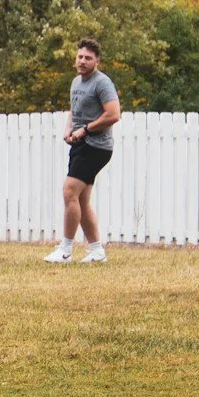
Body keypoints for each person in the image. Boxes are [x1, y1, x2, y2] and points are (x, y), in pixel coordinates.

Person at [46, 38, 122, 263]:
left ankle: (65, 250)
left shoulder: (102, 83)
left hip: (97, 147)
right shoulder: (76, 82)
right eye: (80, 57)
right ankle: (97, 251)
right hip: (80, 145)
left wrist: (86, 130)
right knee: (80, 199)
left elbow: (113, 114)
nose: (82, 61)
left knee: (69, 191)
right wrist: (69, 129)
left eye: (88, 58)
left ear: (97, 61)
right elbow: (74, 109)